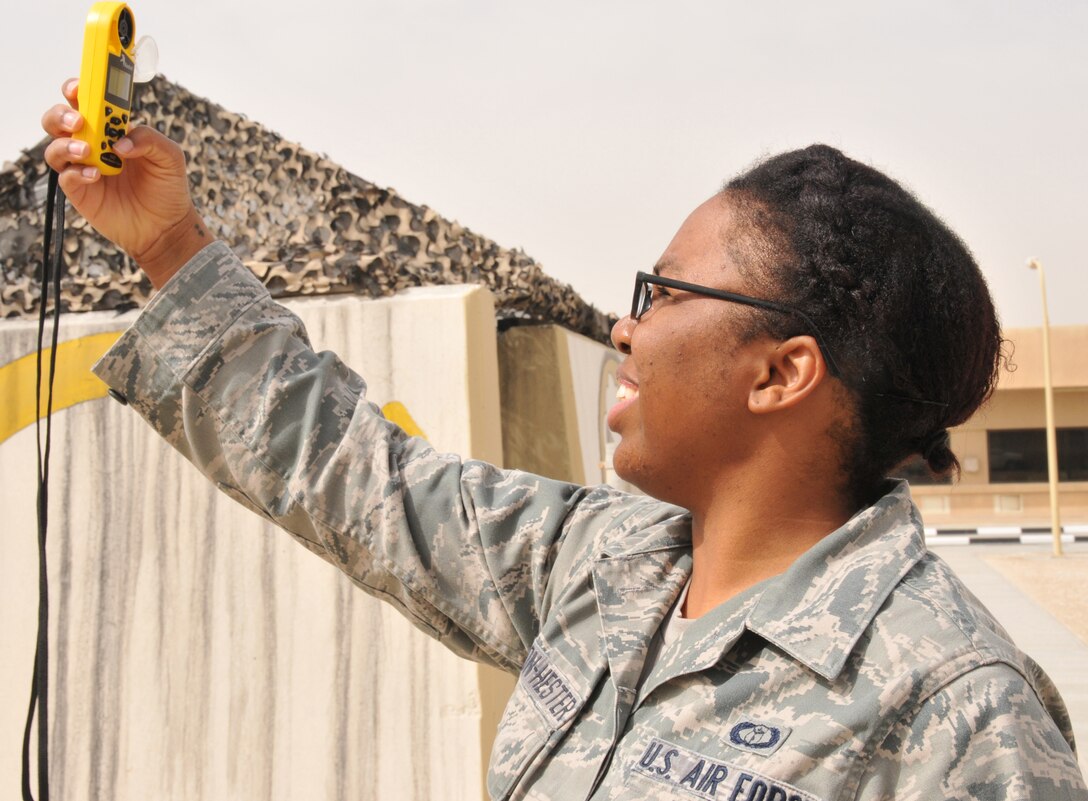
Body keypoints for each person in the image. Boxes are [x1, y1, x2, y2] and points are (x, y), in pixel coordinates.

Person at [42, 79, 1088, 800]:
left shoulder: (955, 712)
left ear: (781, 372)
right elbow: (355, 475)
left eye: (663, 292)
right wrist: (168, 245)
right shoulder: (597, 563)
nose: (627, 327)